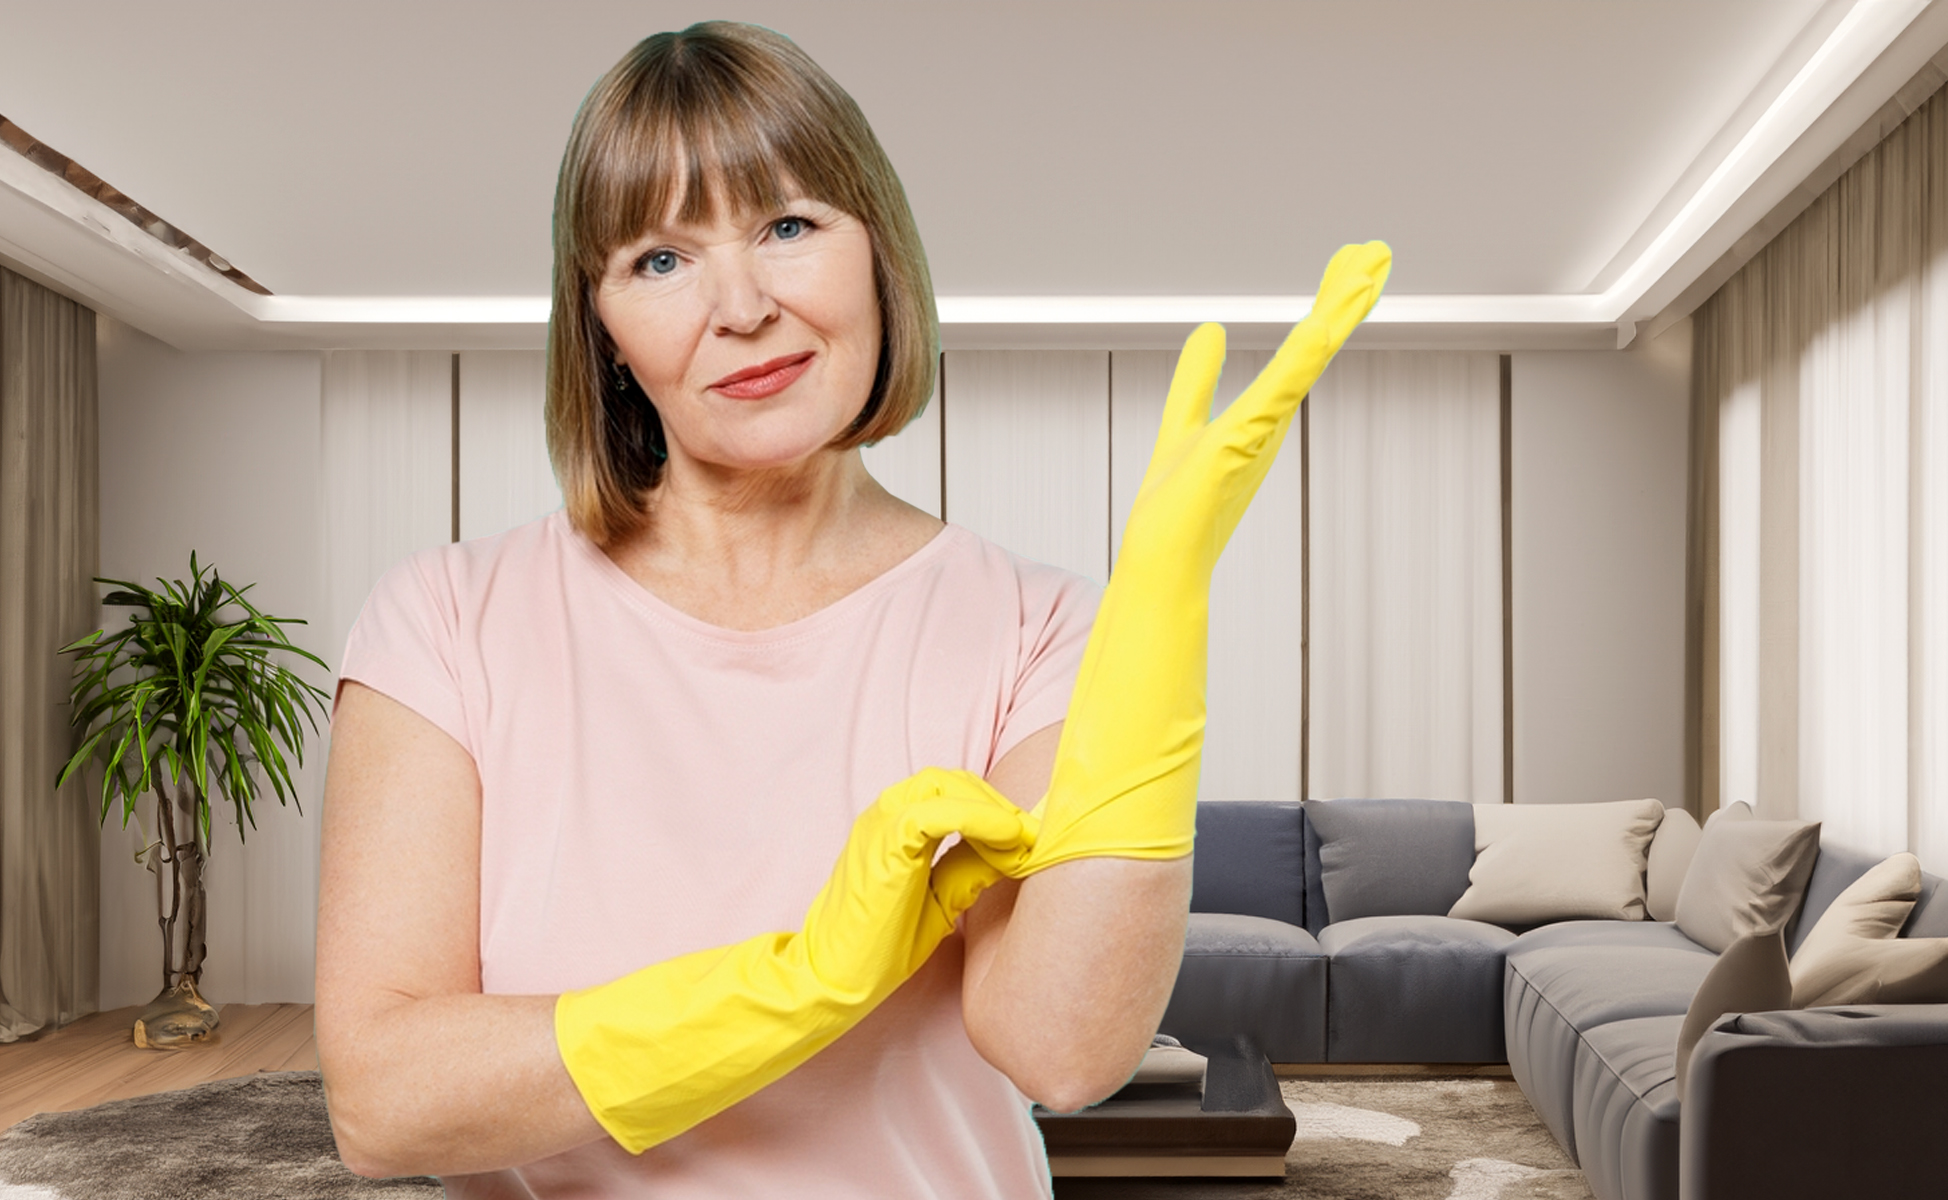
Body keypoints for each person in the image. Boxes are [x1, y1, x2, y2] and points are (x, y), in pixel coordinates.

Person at [315, 20, 1385, 1199]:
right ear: (606, 332)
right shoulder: (447, 623)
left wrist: (1163, 622)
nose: (741, 307)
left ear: (877, 252)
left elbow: (1065, 1048)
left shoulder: (1034, 629)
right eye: (660, 260)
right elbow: (383, 1101)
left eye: (787, 226)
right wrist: (800, 981)